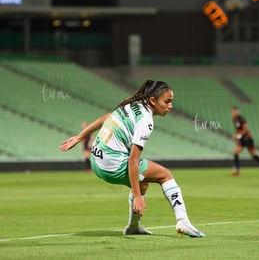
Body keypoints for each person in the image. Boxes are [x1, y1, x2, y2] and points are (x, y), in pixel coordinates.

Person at [59, 80, 205, 238]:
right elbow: (133, 161)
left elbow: (108, 117)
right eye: (167, 101)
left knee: (143, 182)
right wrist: (136, 196)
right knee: (165, 175)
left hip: (96, 160)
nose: (170, 106)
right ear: (153, 101)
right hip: (112, 166)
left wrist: (80, 137)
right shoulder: (146, 121)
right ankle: (182, 220)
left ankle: (133, 227)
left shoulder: (132, 104)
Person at [230, 106, 259, 176]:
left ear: (237, 112)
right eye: (232, 112)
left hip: (247, 138)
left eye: (235, 111)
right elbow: (238, 130)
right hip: (242, 139)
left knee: (253, 155)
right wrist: (236, 134)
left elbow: (246, 129)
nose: (234, 113)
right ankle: (237, 170)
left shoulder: (241, 119)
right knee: (236, 152)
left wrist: (238, 136)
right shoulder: (234, 119)